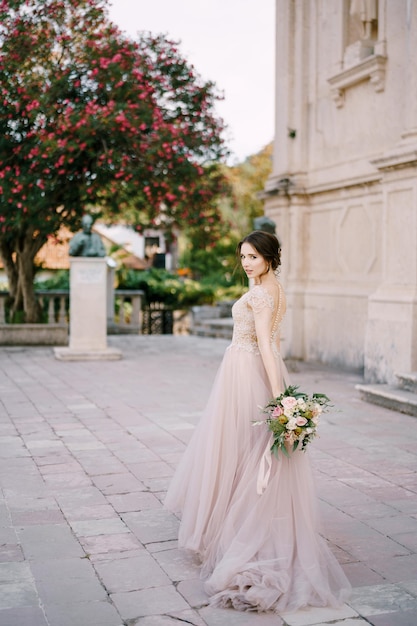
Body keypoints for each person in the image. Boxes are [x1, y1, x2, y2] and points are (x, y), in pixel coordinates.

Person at [164, 230, 351, 613]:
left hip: (246, 372)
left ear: (268, 257)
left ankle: (239, 535)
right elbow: (276, 343)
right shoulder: (275, 288)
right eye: (243, 256)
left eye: (252, 257)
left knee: (240, 451)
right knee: (241, 452)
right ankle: (231, 526)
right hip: (245, 370)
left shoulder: (263, 293)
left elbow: (267, 344)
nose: (246, 263)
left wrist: (280, 398)